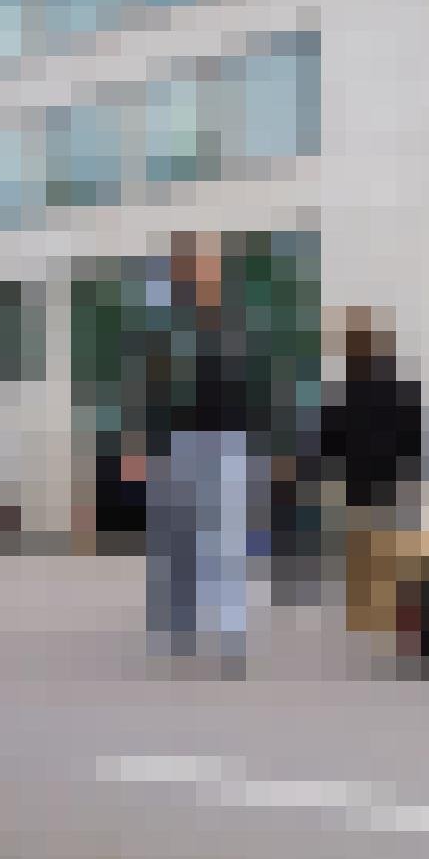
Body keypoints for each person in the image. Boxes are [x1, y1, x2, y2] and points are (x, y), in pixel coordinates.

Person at [136, 231, 260, 675]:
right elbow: (150, 387)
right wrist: (142, 445)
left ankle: (228, 636)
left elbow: (251, 385)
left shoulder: (235, 322)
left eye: (203, 267)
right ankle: (179, 630)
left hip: (226, 440)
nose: (196, 275)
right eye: (187, 268)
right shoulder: (164, 327)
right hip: (176, 442)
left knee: (224, 539)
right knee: (176, 540)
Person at [319, 308, 429, 532]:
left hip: (370, 496)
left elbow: (329, 445)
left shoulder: (341, 395)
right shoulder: (400, 393)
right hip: (386, 497)